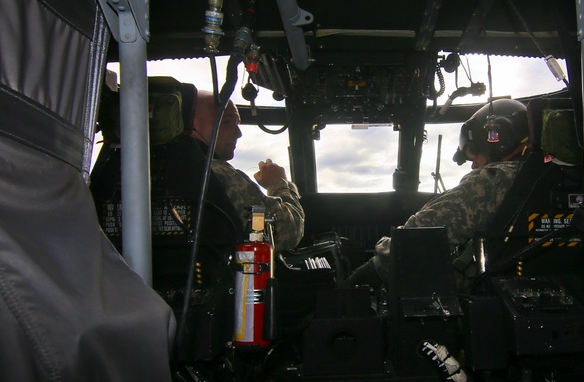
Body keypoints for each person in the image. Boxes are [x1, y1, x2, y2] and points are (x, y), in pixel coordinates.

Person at [345, 98, 530, 287]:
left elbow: (419, 235)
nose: (474, 165)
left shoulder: (494, 180)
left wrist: (371, 268)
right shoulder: (535, 174)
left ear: (500, 139)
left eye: (474, 154)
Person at [189, 90, 305, 252]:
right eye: (228, 122)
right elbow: (288, 232)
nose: (238, 133)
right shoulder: (218, 172)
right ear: (194, 125)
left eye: (238, 123)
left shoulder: (162, 165)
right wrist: (279, 184)